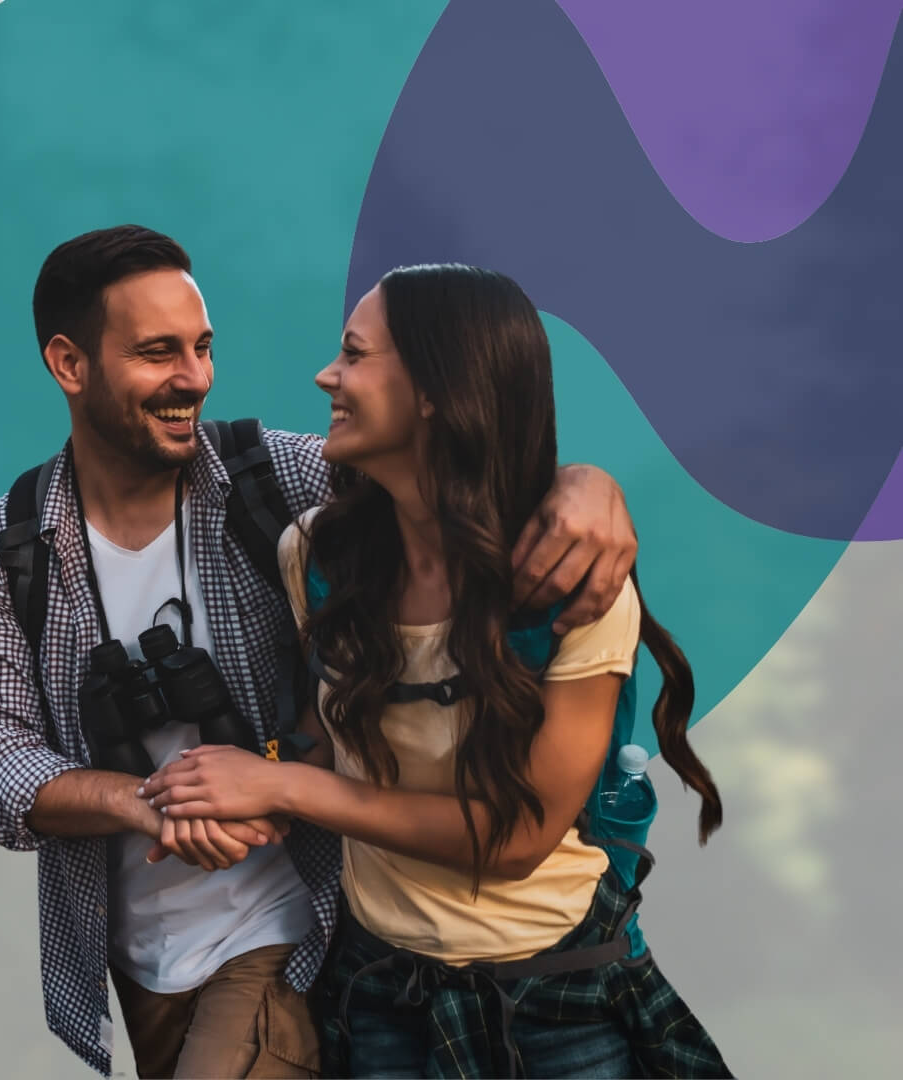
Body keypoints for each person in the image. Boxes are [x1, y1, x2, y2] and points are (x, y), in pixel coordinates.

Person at [0, 228, 640, 1078]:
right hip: (133, 955)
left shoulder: (276, 481)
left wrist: (589, 486)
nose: (193, 378)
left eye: (202, 348)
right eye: (158, 353)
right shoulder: (11, 546)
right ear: (69, 364)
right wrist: (143, 801)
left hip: (290, 928)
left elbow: (455, 467)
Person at [141, 263, 732, 1077]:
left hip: (559, 1001)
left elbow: (517, 838)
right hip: (381, 993)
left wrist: (282, 788)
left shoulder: (574, 585)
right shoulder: (315, 553)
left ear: (433, 389)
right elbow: (322, 741)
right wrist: (224, 795)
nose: (327, 375)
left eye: (354, 355)